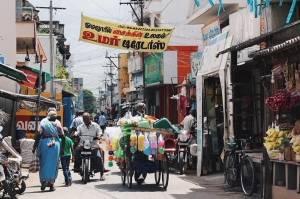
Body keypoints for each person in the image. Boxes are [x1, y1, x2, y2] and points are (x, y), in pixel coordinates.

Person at [32, 110, 64, 191]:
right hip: (55, 144)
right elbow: (62, 136)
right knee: (54, 163)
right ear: (55, 117)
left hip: (44, 144)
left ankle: (43, 181)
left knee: (43, 162)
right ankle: (51, 184)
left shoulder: (44, 122)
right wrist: (62, 148)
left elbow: (39, 135)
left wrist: (34, 146)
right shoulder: (58, 123)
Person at [74, 112, 105, 181]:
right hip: (83, 145)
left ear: (89, 118)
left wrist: (98, 136)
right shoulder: (80, 126)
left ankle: (102, 173)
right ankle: (77, 167)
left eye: (86, 118)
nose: (85, 120)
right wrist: (76, 135)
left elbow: (99, 133)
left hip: (93, 145)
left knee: (98, 157)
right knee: (76, 151)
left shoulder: (95, 125)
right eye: (84, 118)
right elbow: (77, 132)